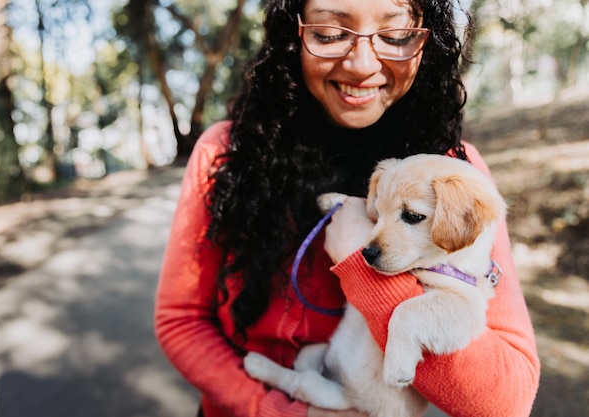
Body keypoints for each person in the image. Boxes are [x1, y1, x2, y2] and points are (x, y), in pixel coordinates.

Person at [155, 0, 540, 416]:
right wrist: (279, 411)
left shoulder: (455, 175)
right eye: (329, 34)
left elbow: (507, 399)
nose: (360, 64)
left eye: (395, 37)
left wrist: (367, 271)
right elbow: (181, 321)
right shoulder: (226, 153)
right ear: (294, 36)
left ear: (427, 43)